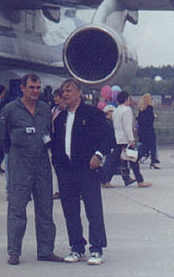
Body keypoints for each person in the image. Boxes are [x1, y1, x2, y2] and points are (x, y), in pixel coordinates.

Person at [0, 73, 62, 265]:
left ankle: (45, 250)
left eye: (37, 88)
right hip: (20, 166)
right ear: (22, 88)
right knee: (17, 210)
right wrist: (18, 155)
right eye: (31, 87)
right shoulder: (10, 110)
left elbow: (49, 134)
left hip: (42, 165)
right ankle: (14, 252)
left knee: (45, 209)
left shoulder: (44, 109)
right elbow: (2, 139)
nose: (35, 91)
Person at [52, 79, 112, 265]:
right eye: (63, 91)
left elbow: (108, 137)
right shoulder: (60, 118)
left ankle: (96, 248)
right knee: (70, 211)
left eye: (69, 90)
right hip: (66, 171)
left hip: (87, 169)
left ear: (79, 92)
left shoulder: (92, 114)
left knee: (93, 209)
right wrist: (58, 166)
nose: (65, 94)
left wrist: (98, 155)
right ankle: (77, 247)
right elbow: (55, 144)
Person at [109, 90, 149, 187]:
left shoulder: (116, 110)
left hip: (118, 138)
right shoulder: (127, 110)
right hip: (125, 139)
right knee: (133, 159)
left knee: (115, 161)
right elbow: (127, 126)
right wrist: (131, 139)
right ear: (126, 99)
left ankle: (107, 179)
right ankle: (140, 180)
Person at [136, 93, 160, 168]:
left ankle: (137, 158)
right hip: (149, 130)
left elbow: (140, 120)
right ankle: (152, 162)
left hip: (142, 131)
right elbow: (150, 120)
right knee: (152, 146)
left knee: (144, 146)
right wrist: (153, 116)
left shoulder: (141, 109)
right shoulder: (149, 108)